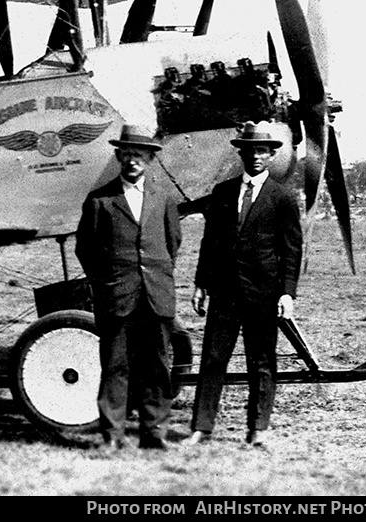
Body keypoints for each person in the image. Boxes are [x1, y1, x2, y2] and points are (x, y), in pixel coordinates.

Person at [183, 121, 304, 447]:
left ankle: (258, 430)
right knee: (212, 359)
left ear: (270, 155)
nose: (255, 157)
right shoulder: (222, 193)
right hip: (224, 292)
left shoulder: (282, 197)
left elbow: (292, 250)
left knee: (262, 361)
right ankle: (201, 428)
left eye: (262, 151)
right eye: (250, 151)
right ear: (242, 154)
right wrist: (200, 284)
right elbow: (211, 243)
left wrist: (287, 293)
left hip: (263, 294)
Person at [75, 123, 181, 449]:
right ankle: (113, 435)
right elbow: (86, 249)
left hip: (156, 295)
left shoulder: (163, 198)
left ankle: (154, 434)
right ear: (119, 156)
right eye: (128, 154)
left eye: (140, 155)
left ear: (149, 159)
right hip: (117, 296)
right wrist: (105, 284)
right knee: (115, 366)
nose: (133, 160)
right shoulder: (100, 200)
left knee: (157, 366)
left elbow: (172, 243)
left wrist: (154, 276)